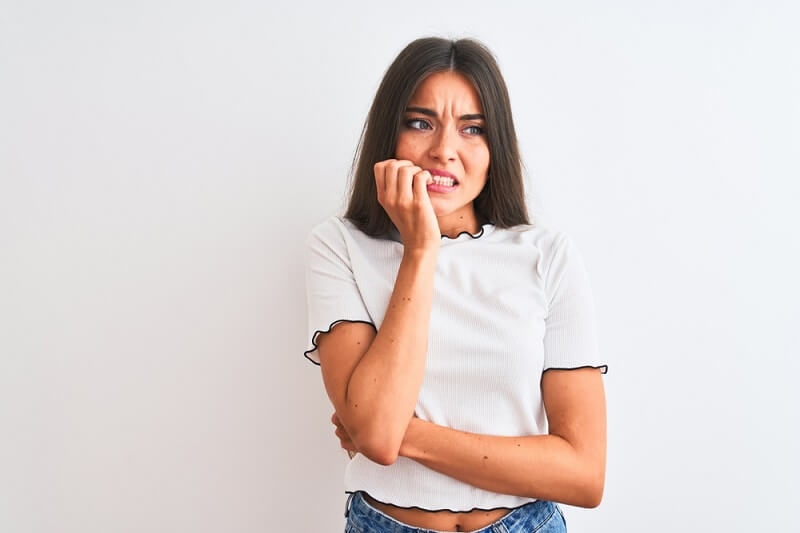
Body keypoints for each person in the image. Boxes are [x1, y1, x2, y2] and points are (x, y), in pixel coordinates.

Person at [304, 37, 607, 533]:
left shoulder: (547, 255)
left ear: (496, 148)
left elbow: (584, 474)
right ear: (389, 134)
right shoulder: (339, 246)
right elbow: (374, 441)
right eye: (420, 123)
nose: (443, 151)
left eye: (473, 129)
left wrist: (403, 433)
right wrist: (421, 250)